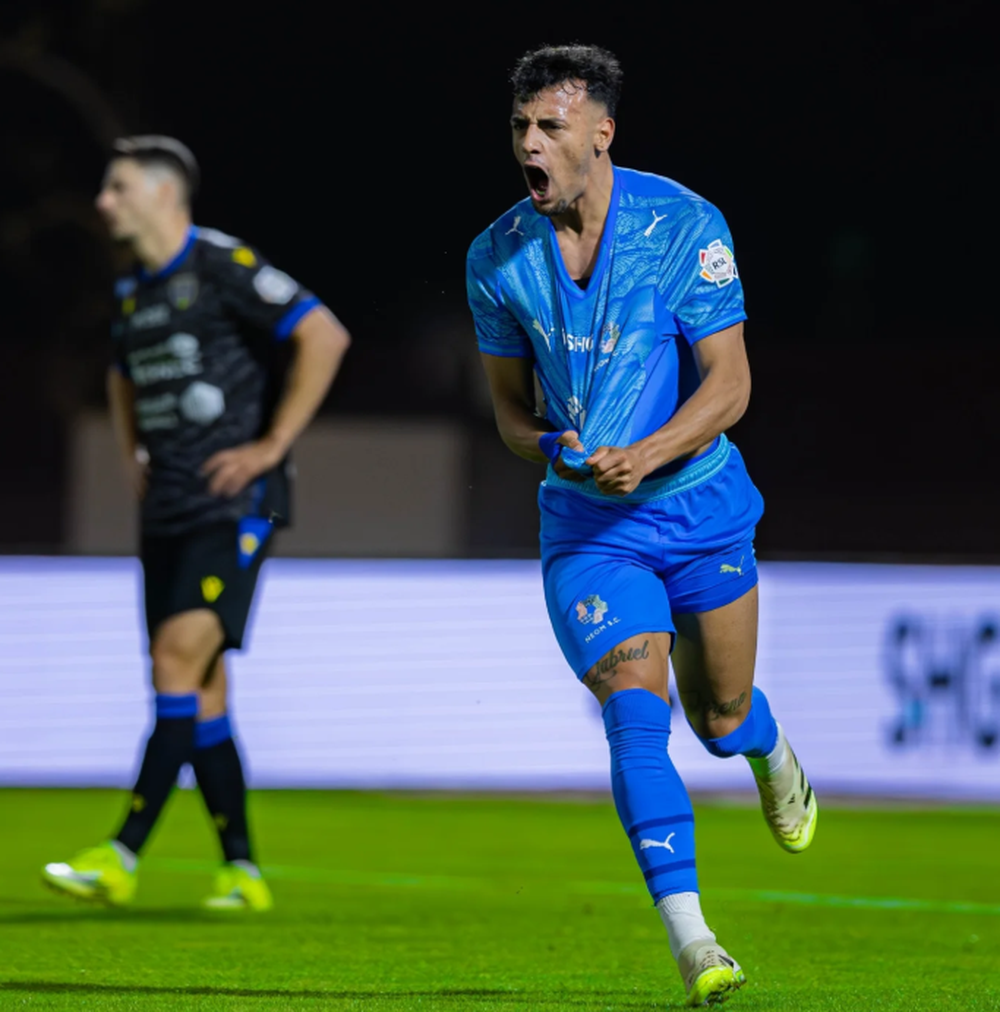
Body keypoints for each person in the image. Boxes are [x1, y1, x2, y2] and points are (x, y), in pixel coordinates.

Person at [466, 46, 817, 1005]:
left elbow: (732, 386)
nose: (529, 146)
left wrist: (648, 454)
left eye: (550, 128)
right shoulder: (496, 258)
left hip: (699, 509)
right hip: (588, 528)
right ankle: (695, 939)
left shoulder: (683, 226)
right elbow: (506, 412)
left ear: (600, 133)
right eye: (519, 129)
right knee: (634, 711)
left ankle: (768, 745)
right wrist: (551, 445)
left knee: (719, 717)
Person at [42, 136, 350, 910]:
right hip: (170, 507)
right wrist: (129, 455)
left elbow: (325, 333)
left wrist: (271, 446)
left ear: (161, 194)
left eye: (116, 188)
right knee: (202, 691)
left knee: (176, 658)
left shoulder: (218, 264)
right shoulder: (132, 289)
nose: (103, 202)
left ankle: (120, 854)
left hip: (236, 502)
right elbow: (121, 374)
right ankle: (242, 872)